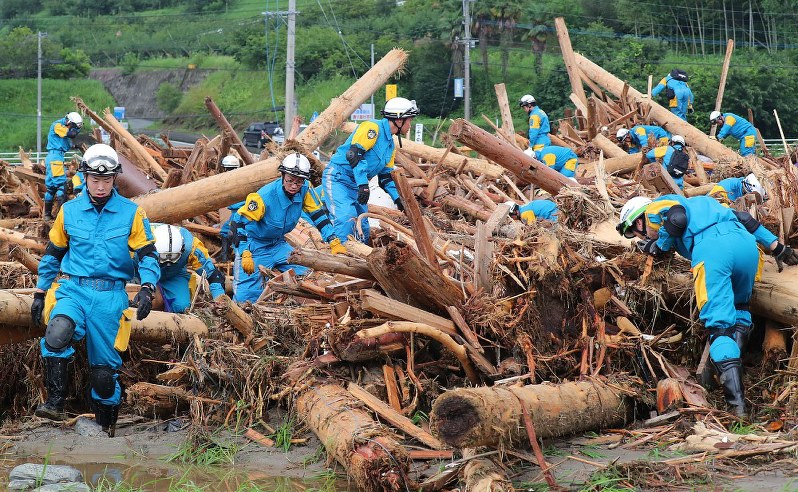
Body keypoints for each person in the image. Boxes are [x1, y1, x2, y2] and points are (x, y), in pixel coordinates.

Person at [616, 194, 798, 416]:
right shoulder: (703, 203)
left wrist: (659, 246)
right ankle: (731, 362)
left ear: (638, 221)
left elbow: (677, 218)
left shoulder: (654, 210)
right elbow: (745, 218)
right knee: (740, 309)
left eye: (637, 234)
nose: (642, 237)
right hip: (746, 248)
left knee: (719, 327)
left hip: (713, 251)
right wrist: (779, 248)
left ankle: (737, 408)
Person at [29, 143, 160, 436]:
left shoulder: (132, 213)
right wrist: (40, 293)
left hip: (110, 296)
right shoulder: (69, 211)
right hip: (73, 289)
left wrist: (147, 287)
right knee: (58, 331)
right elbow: (53, 254)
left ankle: (105, 430)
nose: (100, 186)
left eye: (107, 180)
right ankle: (55, 402)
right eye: (95, 180)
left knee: (103, 374)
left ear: (115, 179)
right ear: (85, 177)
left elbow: (148, 254)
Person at [233, 152, 346, 303]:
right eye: (290, 180)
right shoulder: (263, 197)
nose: (294, 186)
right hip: (255, 246)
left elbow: (318, 215)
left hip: (278, 244)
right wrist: (245, 252)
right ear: (282, 175)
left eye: (299, 182)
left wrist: (333, 240)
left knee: (307, 276)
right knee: (246, 297)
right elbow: (239, 223)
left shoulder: (305, 189)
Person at [323, 97, 417, 244]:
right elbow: (354, 154)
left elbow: (386, 178)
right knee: (346, 219)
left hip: (357, 185)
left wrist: (399, 200)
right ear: (399, 120)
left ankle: (360, 259)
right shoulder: (372, 128)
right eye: (409, 120)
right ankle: (339, 257)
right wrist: (363, 185)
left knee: (363, 228)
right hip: (338, 178)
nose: (410, 124)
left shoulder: (390, 146)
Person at [150, 224, 226, 313]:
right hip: (140, 272)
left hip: (173, 274)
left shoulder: (192, 247)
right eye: (163, 258)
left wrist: (220, 302)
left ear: (182, 249)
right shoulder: (137, 239)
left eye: (173, 257)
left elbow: (213, 276)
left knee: (181, 307)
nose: (168, 263)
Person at [44, 112, 83, 220]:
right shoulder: (57, 125)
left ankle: (47, 215)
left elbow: (65, 141)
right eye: (73, 126)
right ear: (69, 122)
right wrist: (75, 130)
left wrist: (75, 146)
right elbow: (71, 134)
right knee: (62, 186)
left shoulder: (62, 128)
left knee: (51, 188)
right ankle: (62, 216)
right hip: (55, 158)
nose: (73, 129)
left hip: (54, 158)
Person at [218, 155, 244, 262]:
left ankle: (234, 257)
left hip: (240, 211)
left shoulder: (234, 179)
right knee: (225, 230)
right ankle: (224, 255)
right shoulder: (237, 177)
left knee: (233, 232)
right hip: (237, 210)